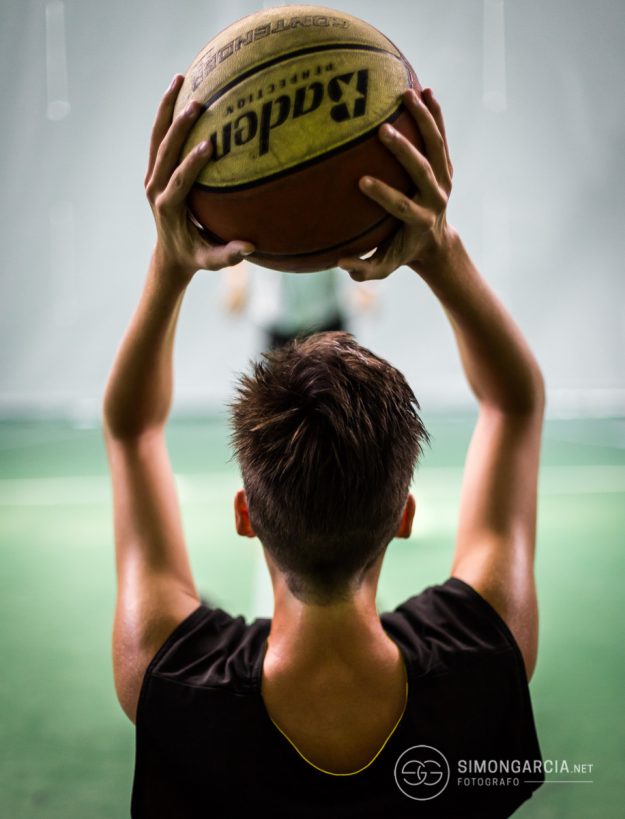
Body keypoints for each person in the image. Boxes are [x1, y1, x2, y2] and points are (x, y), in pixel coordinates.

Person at [102, 74, 545, 817]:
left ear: (247, 513)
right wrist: (438, 246)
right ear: (402, 513)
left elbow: (129, 427)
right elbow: (515, 401)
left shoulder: (168, 675)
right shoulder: (482, 655)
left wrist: (169, 261)